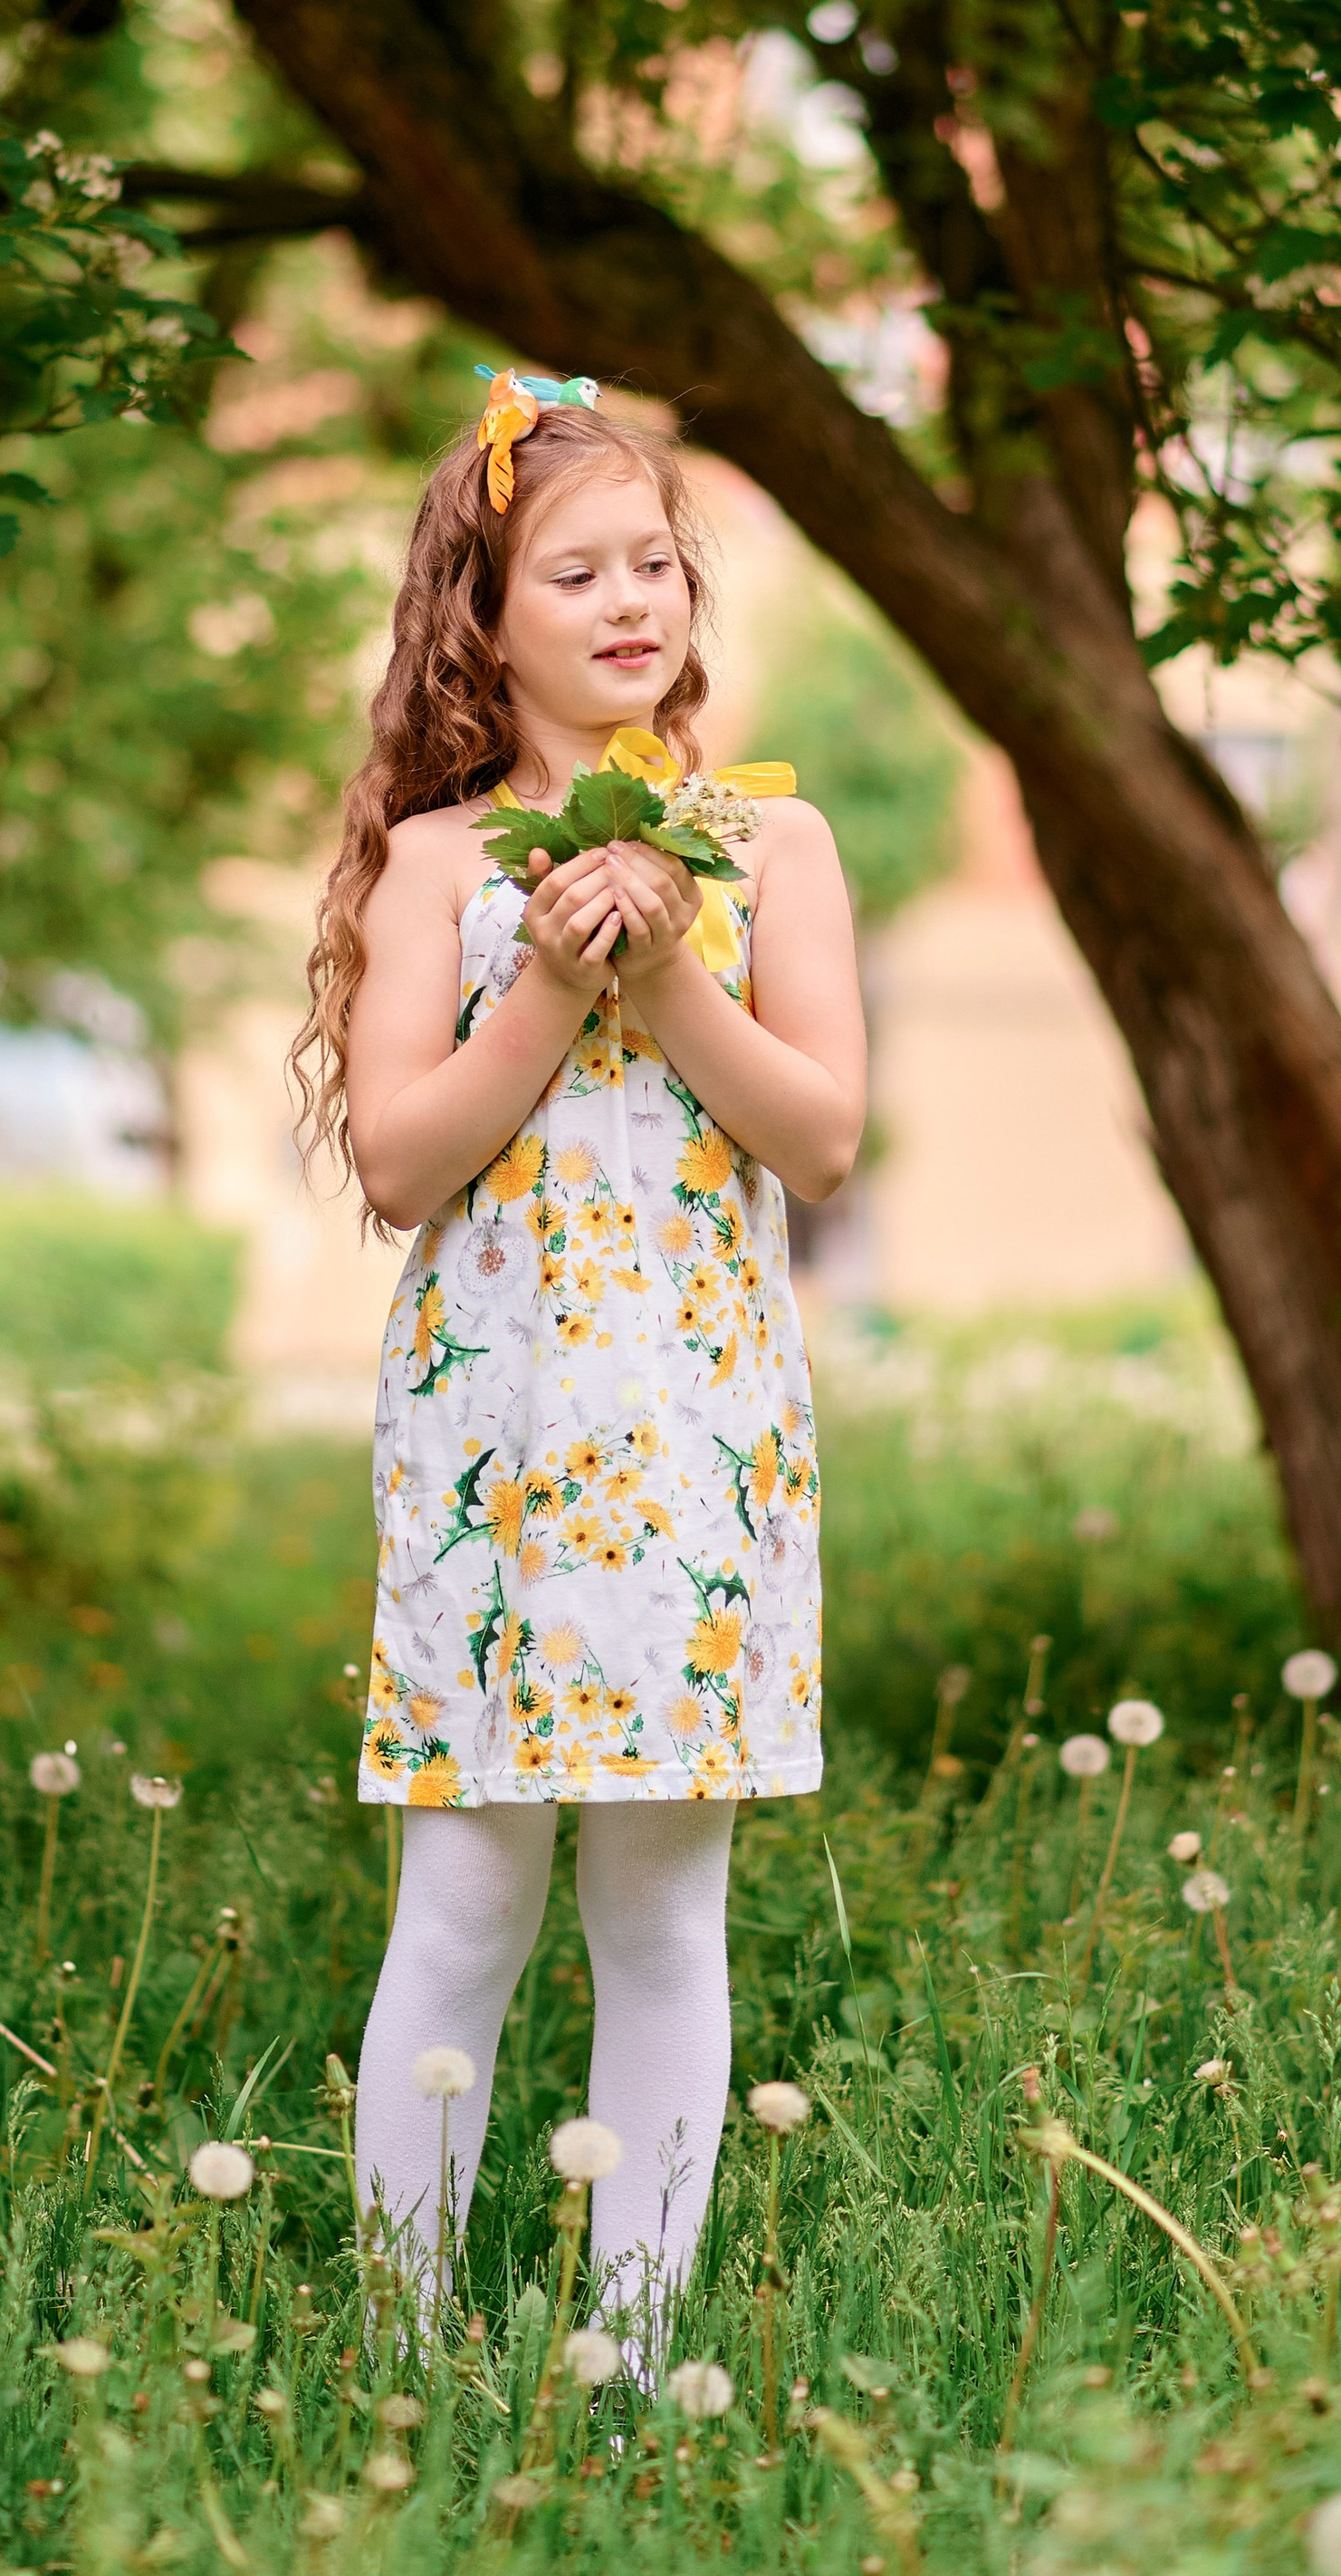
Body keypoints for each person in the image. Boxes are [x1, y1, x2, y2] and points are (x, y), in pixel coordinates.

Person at [292, 370, 866, 2336]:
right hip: (498, 1437)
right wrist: (546, 978)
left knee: (661, 1904)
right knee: (465, 1892)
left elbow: (819, 1138)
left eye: (652, 566)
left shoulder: (771, 846)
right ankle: (403, 2332)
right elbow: (399, 1163)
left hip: (694, 1431)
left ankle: (627, 2353)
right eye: (574, 571)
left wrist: (672, 962)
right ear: (485, 614)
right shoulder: (436, 867)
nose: (628, 601)